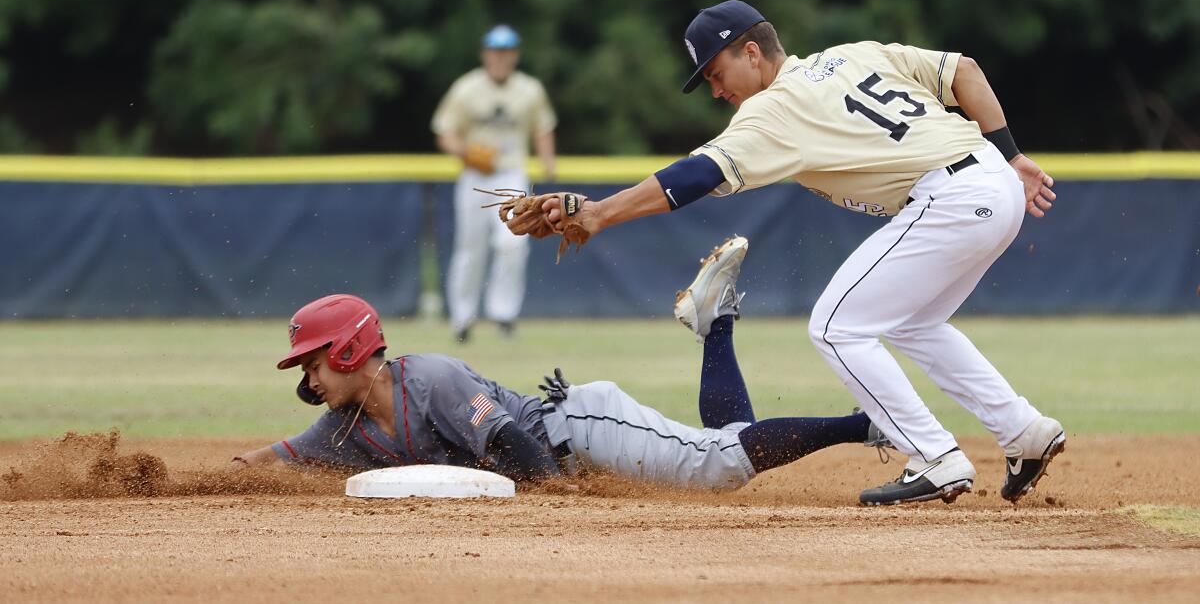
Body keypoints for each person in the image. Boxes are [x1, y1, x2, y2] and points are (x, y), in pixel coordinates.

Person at [536, 0, 1064, 506]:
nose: (715, 91)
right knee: (912, 324)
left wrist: (603, 212)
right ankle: (1022, 430)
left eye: (716, 74)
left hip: (949, 199)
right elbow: (964, 70)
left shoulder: (775, 108)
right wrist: (1012, 156)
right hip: (993, 181)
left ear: (750, 52)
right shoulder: (853, 54)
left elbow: (698, 173)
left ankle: (934, 455)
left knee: (835, 326)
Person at [231, 237, 892, 493]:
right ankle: (715, 320)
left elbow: (512, 440)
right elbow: (278, 456)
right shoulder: (344, 429)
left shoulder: (427, 378)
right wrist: (205, 477)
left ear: (348, 349)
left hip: (581, 425)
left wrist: (557, 502)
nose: (308, 380)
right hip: (570, 444)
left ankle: (865, 424)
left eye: (314, 362)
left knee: (718, 466)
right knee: (721, 448)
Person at [432, 24, 558, 342]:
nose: (501, 58)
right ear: (485, 54)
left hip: (511, 174)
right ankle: (462, 318)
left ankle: (504, 314)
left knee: (512, 244)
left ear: (514, 55)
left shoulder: (529, 89)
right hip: (476, 175)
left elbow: (543, 128)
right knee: (470, 247)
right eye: (495, 52)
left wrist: (548, 165)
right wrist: (467, 152)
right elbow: (445, 133)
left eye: (507, 52)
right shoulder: (467, 88)